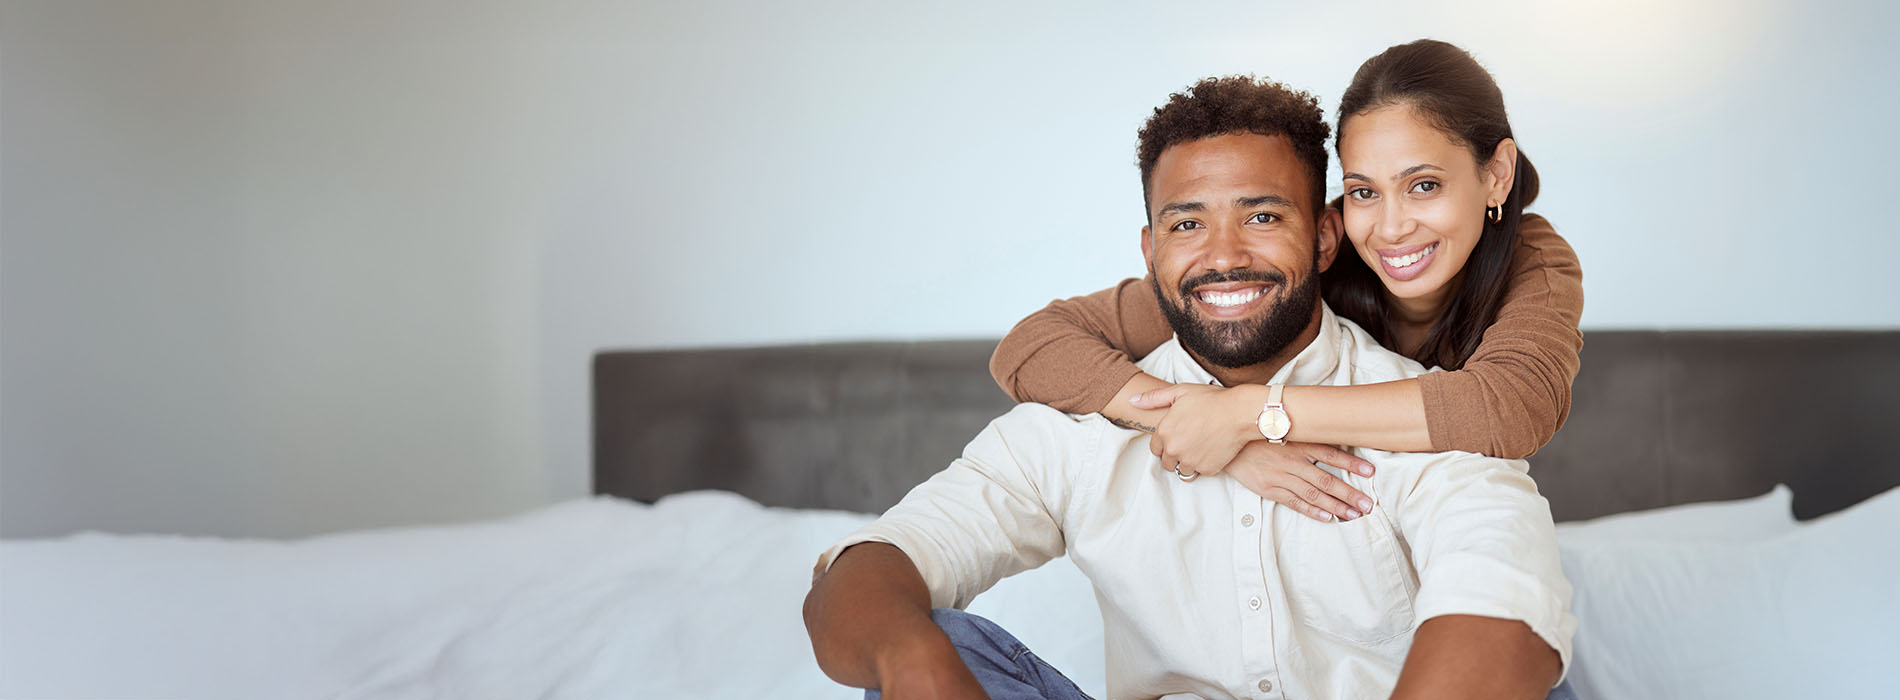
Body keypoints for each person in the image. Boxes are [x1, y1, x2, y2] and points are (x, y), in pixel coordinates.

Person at [804, 74, 1576, 700]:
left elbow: (1500, 609)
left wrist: (1252, 415)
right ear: (1149, 251)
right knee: (936, 641)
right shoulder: (1079, 428)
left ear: (1324, 238)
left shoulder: (1433, 421)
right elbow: (868, 569)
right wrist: (913, 663)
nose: (1223, 256)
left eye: (1263, 216)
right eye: (1186, 225)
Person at [989, 40, 1584, 524]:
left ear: (1496, 173)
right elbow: (1033, 347)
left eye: (1424, 185)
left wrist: (1251, 416)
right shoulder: (1297, 253)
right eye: (1363, 191)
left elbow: (1510, 407)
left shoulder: (1534, 261)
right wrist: (1204, 423)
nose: (1391, 227)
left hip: (1462, 520)